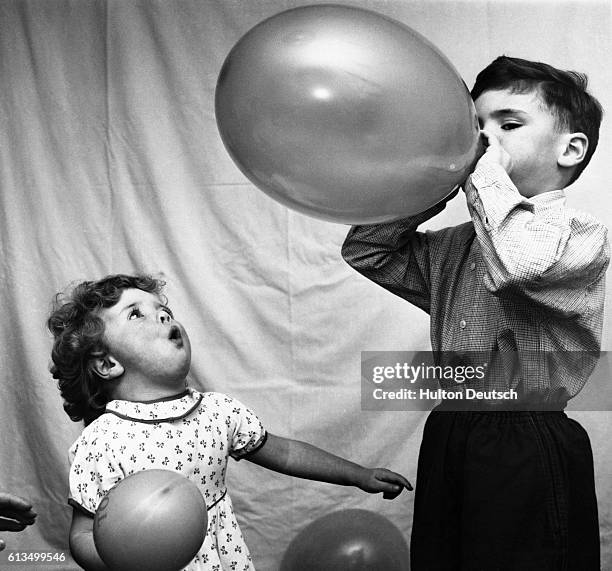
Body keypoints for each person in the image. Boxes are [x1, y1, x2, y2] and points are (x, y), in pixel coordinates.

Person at [342, 56, 609, 570]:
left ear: (569, 149)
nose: (483, 141)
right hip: (453, 430)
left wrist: (482, 172)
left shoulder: (580, 235)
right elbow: (367, 251)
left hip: (525, 439)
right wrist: (434, 186)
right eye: (475, 128)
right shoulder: (456, 247)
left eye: (507, 125)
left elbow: (517, 262)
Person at [47, 274, 411, 571]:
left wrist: (358, 474)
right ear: (108, 363)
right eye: (135, 314)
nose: (163, 315)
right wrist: (128, 561)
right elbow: (83, 533)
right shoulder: (103, 441)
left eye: (163, 309)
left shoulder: (217, 412)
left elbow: (283, 452)